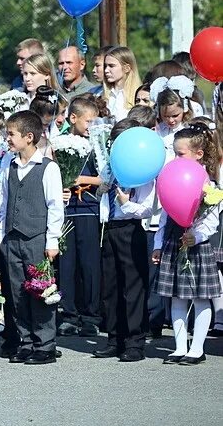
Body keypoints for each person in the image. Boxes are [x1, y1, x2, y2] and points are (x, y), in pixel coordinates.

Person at [152, 123, 222, 365]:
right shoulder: (171, 175)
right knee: (177, 298)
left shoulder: (207, 183)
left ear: (198, 154)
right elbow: (164, 214)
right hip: (174, 240)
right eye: (174, 153)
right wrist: (158, 244)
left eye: (180, 153)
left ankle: (197, 348)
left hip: (197, 245)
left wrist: (197, 235)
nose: (175, 158)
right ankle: (180, 346)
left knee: (201, 298)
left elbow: (212, 218)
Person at [0, 110, 64, 364]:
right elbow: (5, 202)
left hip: (36, 238)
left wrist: (52, 240)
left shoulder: (47, 168)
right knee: (17, 292)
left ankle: (45, 344)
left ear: (29, 137)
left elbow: (55, 205)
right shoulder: (9, 165)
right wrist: (3, 235)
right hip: (13, 237)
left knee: (40, 290)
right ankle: (25, 341)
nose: (7, 138)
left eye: (11, 134)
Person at [94, 118, 155, 362]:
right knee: (110, 286)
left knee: (132, 287)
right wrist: (102, 188)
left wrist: (126, 203)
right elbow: (101, 191)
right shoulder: (111, 166)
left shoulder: (142, 169)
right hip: (108, 228)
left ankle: (135, 341)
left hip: (130, 228)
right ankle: (114, 338)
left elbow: (147, 208)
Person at [57, 96, 102, 338]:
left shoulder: (97, 145)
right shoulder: (60, 143)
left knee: (89, 265)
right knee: (67, 265)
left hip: (89, 210)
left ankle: (91, 316)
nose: (91, 126)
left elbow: (105, 178)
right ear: (73, 119)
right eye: (88, 121)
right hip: (66, 212)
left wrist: (81, 180)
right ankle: (69, 315)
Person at [152, 79, 193, 155]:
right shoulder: (157, 130)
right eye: (166, 116)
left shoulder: (189, 130)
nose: (171, 120)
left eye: (175, 116)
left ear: (184, 109)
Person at [102, 46, 142, 122]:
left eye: (111, 66)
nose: (106, 70)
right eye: (105, 66)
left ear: (127, 68)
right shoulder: (102, 95)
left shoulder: (139, 96)